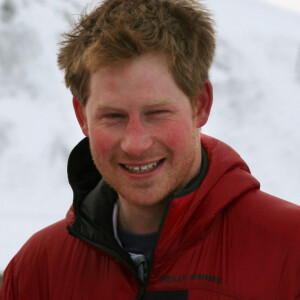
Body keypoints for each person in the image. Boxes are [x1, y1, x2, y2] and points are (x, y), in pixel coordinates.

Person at [1, 0, 300, 299]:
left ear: (200, 105)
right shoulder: (37, 272)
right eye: (113, 116)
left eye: (157, 113)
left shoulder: (291, 250)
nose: (135, 144)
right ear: (82, 117)